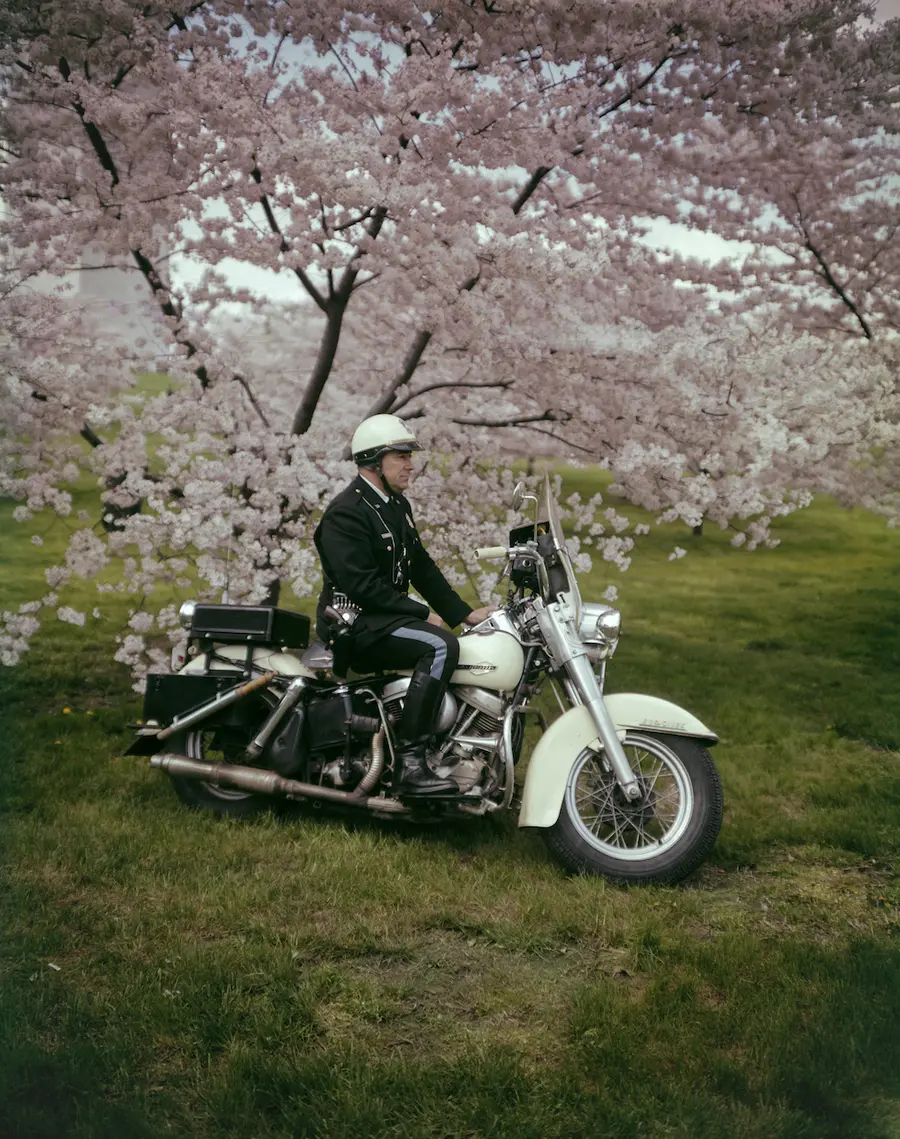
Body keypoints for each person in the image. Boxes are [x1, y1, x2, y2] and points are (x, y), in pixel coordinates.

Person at [314, 414, 495, 796]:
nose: (411, 464)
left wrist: (461, 613)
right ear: (373, 463)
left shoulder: (395, 505)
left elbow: (422, 566)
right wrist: (420, 613)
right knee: (440, 645)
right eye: (401, 456)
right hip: (353, 622)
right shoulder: (346, 513)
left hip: (381, 617)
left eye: (409, 456)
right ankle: (411, 764)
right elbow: (361, 586)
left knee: (457, 638)